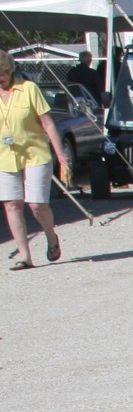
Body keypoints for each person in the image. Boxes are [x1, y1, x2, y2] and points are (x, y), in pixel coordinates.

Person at [0, 52, 73, 271]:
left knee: (37, 205)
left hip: (35, 153)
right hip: (5, 155)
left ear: (9, 70)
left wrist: (61, 157)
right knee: (12, 204)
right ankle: (25, 256)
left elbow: (48, 124)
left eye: (1, 74)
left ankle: (51, 237)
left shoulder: (29, 89)